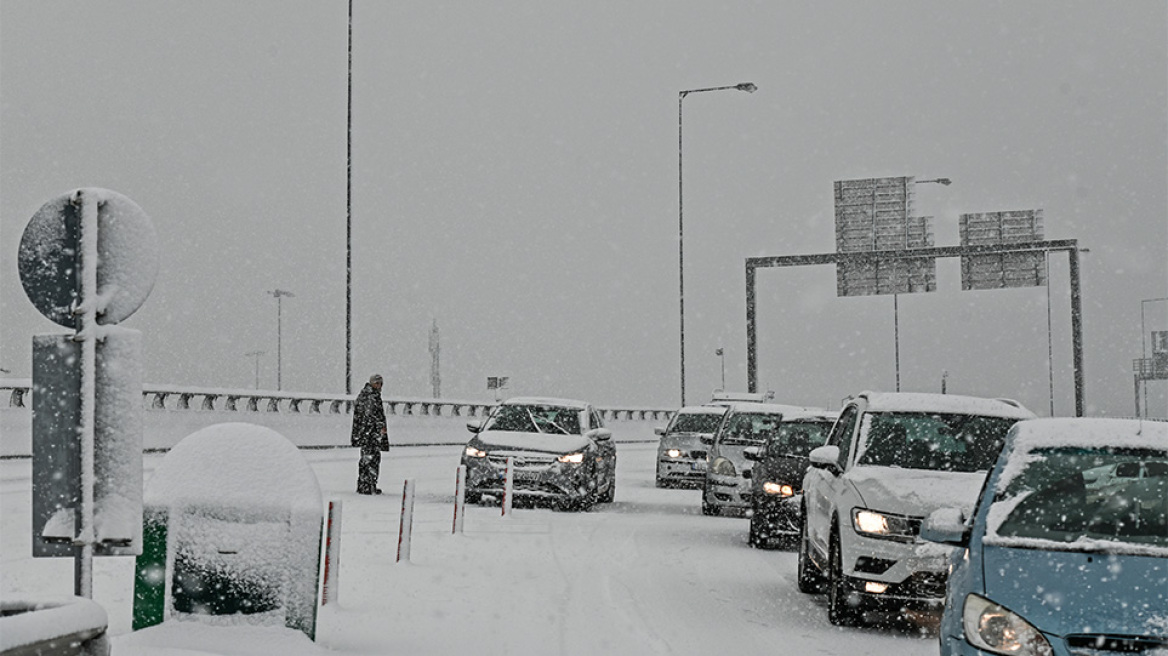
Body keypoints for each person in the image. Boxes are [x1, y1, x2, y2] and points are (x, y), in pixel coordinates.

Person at [352, 373, 389, 494]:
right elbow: (369, 416)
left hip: (367, 433)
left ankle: (366, 484)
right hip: (370, 433)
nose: (379, 386)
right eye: (377, 383)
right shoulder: (370, 396)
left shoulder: (367, 395)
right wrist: (379, 427)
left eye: (381, 383)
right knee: (371, 459)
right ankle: (368, 485)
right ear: (372, 383)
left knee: (368, 458)